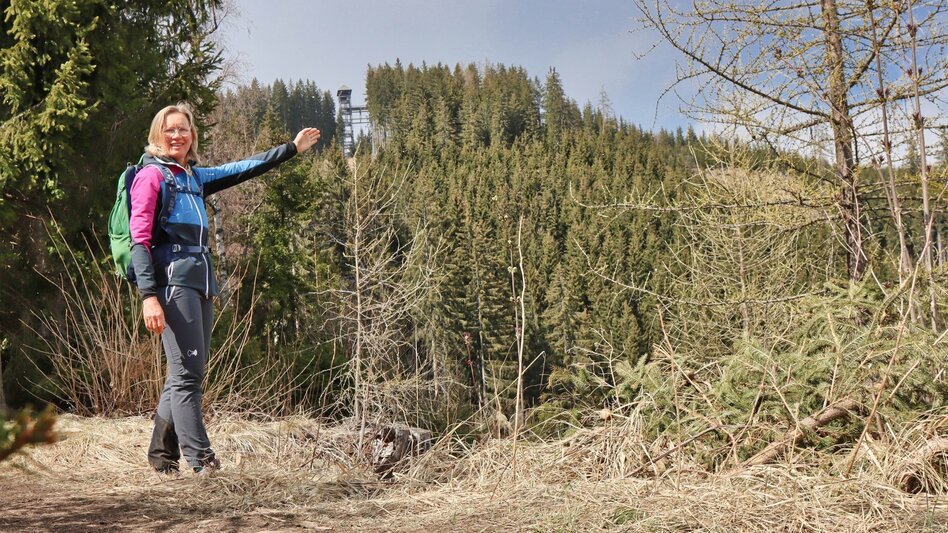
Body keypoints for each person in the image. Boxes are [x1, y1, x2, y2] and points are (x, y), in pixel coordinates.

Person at [130, 102, 320, 475]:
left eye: (183, 129)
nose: (176, 136)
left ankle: (161, 456)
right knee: (188, 375)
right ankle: (202, 460)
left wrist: (290, 150)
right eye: (169, 129)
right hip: (171, 283)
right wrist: (148, 296)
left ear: (192, 136)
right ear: (157, 134)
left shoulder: (193, 177)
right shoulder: (152, 177)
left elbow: (240, 169)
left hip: (201, 283)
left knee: (184, 371)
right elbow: (140, 240)